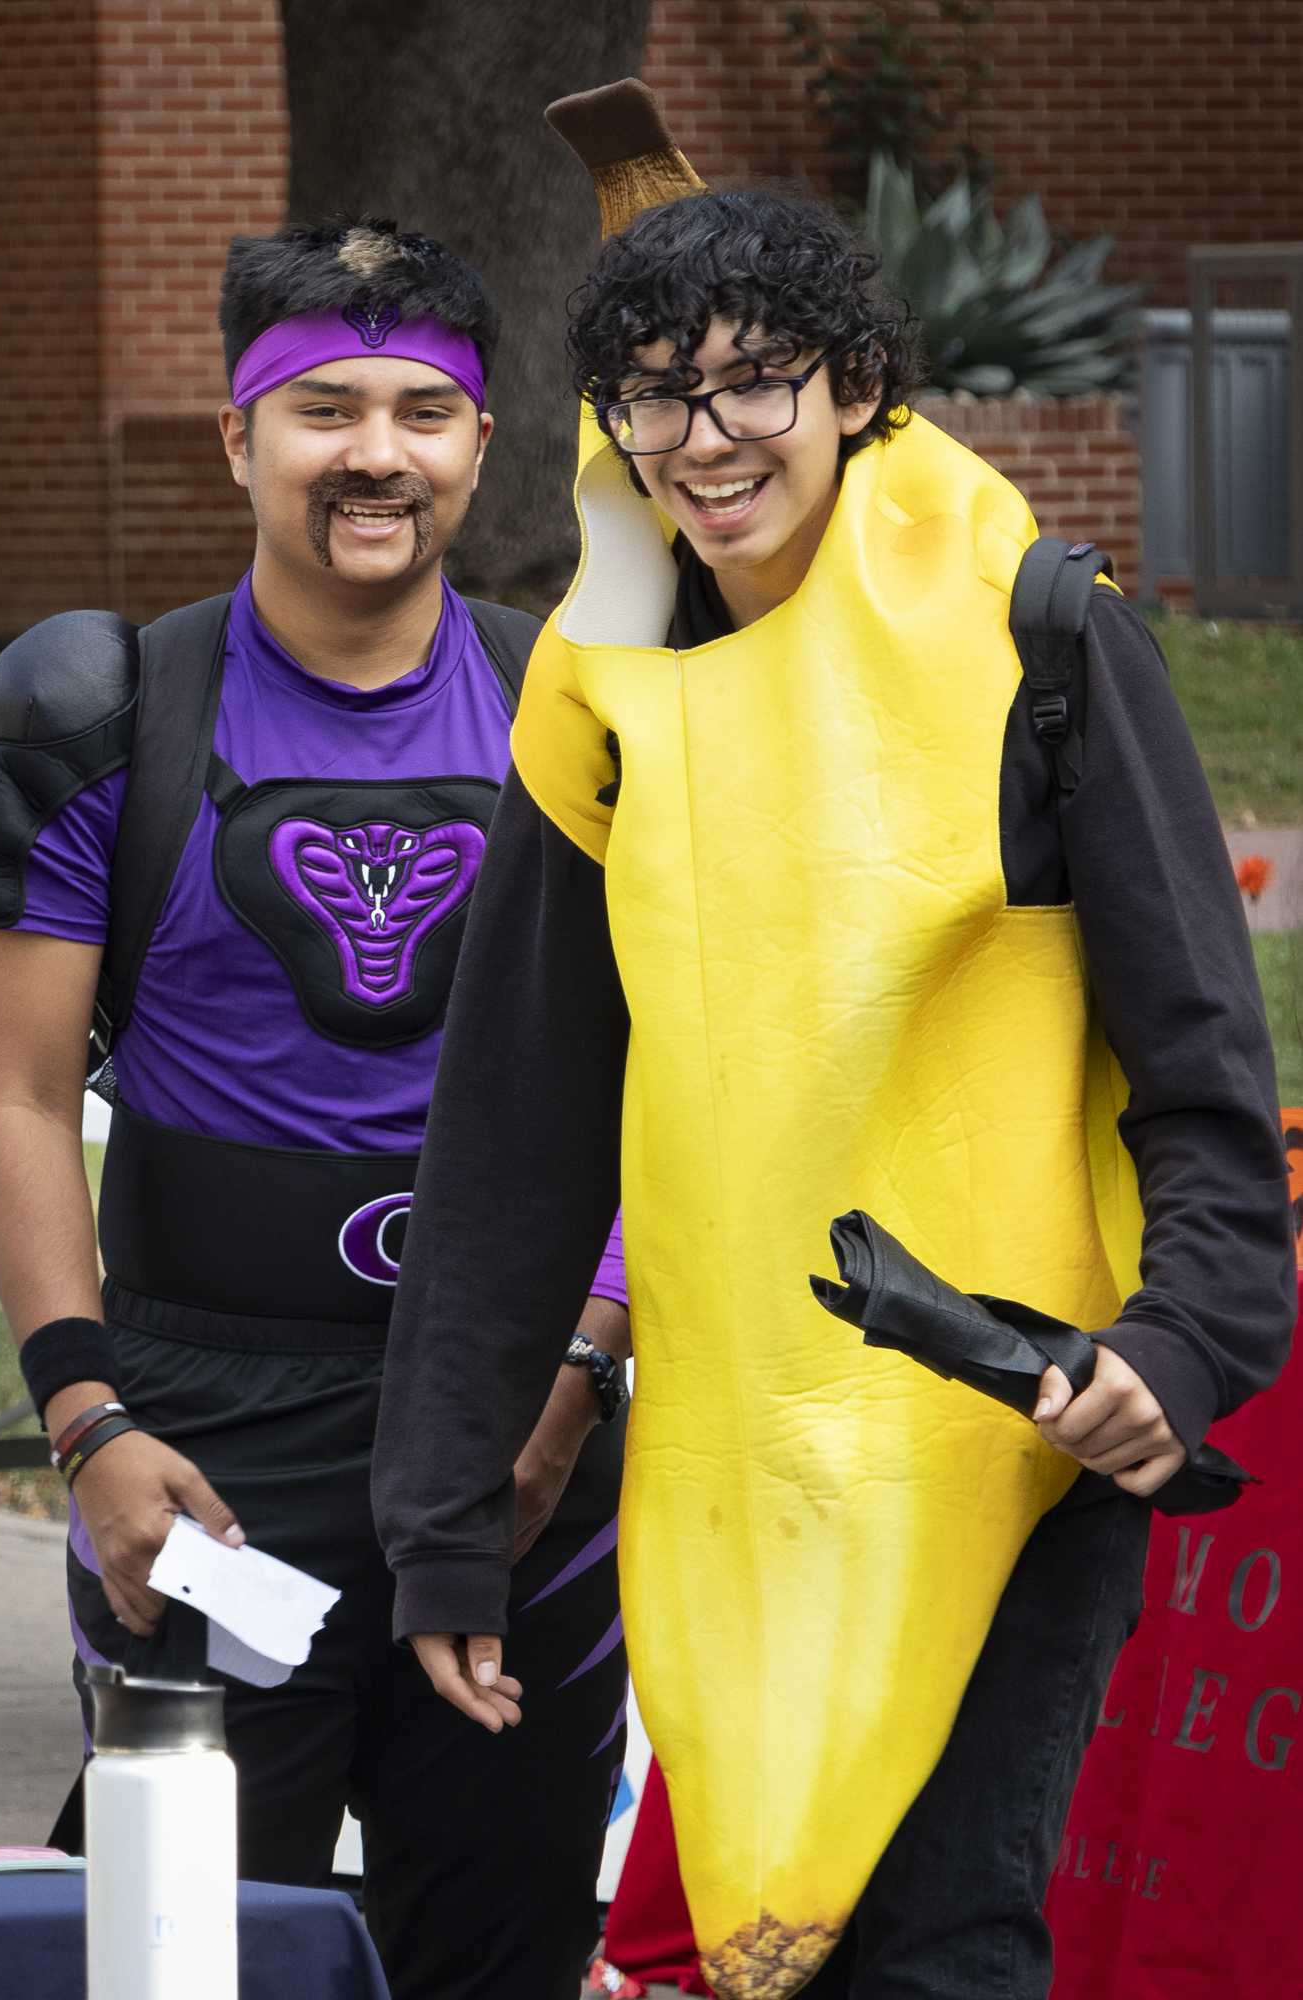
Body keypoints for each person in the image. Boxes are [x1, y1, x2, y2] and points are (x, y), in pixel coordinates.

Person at [371, 178, 1297, 1999]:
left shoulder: (1039, 635)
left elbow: (1204, 1070)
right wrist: (444, 1525)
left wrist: (1176, 1353)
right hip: (739, 1447)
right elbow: (513, 1141)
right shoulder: (602, 699)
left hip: (1006, 1432)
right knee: (765, 1948)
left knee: (941, 1946)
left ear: (858, 384)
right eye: (652, 393)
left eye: (752, 382)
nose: (703, 441)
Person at [0, 215, 630, 2000]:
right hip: (206, 1424)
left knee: (503, 1929)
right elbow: (13, 1094)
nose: (375, 453)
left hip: (519, 1421)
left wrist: (579, 1359)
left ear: (484, 442)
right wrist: (85, 1424)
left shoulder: (591, 710)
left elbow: (657, 1061)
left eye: (422, 410)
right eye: (322, 408)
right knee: (181, 1943)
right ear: (236, 440)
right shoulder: (101, 708)